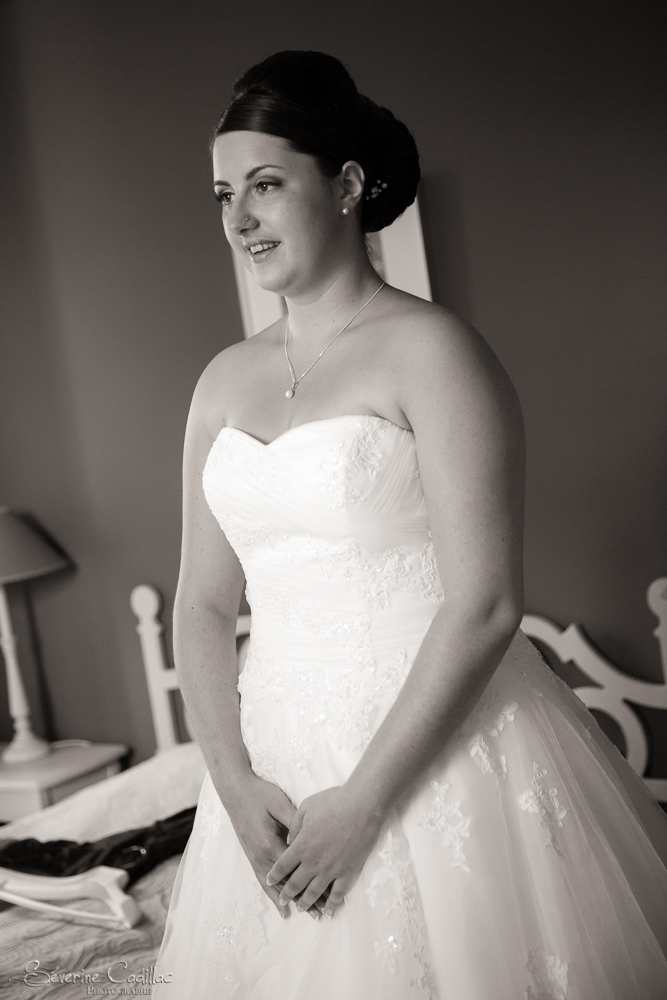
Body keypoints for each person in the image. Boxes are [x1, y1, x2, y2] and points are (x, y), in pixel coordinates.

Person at [153, 50, 667, 999]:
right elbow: (201, 604)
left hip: (430, 754)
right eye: (223, 194)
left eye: (265, 185)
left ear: (347, 184)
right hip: (269, 765)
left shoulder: (434, 351)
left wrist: (362, 804)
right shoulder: (220, 382)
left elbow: (485, 603)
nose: (239, 219)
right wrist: (231, 781)